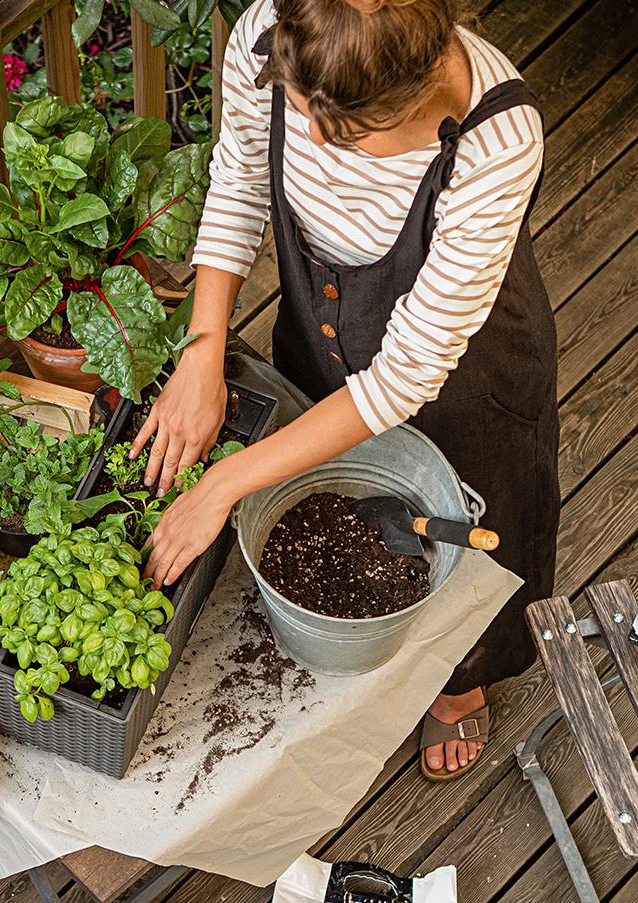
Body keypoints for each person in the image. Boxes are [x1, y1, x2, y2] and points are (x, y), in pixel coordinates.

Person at [138, 0, 559, 781]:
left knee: (476, 529)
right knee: (328, 503)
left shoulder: (496, 141)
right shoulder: (271, 37)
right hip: (321, 312)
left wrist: (222, 483)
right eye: (304, 116)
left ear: (428, 78)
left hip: (462, 372)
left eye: (350, 134)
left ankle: (460, 687)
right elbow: (238, 179)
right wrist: (200, 356)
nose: (321, 147)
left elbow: (406, 375)